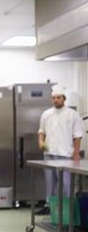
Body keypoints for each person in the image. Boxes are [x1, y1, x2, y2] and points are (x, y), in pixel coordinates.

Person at [37, 84, 83, 214]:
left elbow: (78, 135)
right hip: (49, 155)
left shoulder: (72, 114)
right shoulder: (46, 114)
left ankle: (66, 210)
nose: (56, 100)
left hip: (65, 155)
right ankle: (51, 209)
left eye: (58, 97)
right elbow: (41, 131)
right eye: (54, 98)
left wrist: (76, 153)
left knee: (66, 186)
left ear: (64, 98)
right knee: (50, 184)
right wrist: (40, 141)